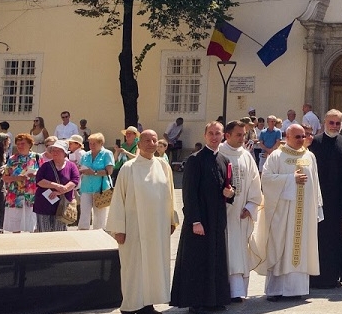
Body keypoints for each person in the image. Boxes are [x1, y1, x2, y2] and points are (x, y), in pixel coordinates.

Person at [106, 129, 179, 314]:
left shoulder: (163, 166)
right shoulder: (128, 168)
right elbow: (118, 200)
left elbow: (170, 194)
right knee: (134, 267)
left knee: (153, 265)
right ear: (138, 144)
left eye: (154, 140)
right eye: (146, 140)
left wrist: (172, 219)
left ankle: (149, 304)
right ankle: (131, 306)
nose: (151, 143)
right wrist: (118, 229)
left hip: (157, 227)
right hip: (133, 227)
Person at [170, 122, 235, 313]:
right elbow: (189, 193)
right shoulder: (195, 160)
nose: (214, 137)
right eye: (211, 133)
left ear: (223, 136)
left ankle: (214, 299)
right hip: (199, 219)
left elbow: (229, 188)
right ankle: (196, 300)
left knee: (215, 258)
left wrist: (231, 193)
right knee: (197, 260)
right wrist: (195, 220)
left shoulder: (224, 159)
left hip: (217, 219)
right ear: (205, 135)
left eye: (218, 134)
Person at [255, 123, 323, 302]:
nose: (301, 140)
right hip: (282, 212)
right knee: (280, 246)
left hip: (304, 212)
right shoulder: (277, 156)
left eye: (303, 136)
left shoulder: (310, 156)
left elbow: (315, 183)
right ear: (287, 136)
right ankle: (276, 290)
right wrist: (291, 179)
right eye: (297, 136)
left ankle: (296, 289)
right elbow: (267, 179)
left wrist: (318, 206)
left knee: (301, 247)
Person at [220, 120, 264, 302]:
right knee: (225, 252)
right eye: (238, 134)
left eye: (244, 134)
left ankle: (237, 291)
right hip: (222, 215)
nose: (242, 138)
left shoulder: (246, 156)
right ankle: (222, 290)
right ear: (227, 135)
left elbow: (255, 182)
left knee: (239, 252)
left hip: (241, 214)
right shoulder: (219, 153)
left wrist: (251, 206)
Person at [308, 109, 342, 288]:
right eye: (331, 122)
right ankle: (314, 277)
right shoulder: (314, 143)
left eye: (338, 123)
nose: (334, 126)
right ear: (325, 122)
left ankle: (333, 276)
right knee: (317, 238)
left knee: (334, 238)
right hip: (317, 200)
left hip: (337, 202)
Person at [33, 141, 80, 232]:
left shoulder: (71, 166)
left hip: (62, 205)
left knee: (59, 232)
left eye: (58, 150)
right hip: (44, 204)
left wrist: (62, 190)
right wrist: (55, 185)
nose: (55, 152)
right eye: (53, 150)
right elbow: (39, 181)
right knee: (44, 231)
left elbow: (75, 180)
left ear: (65, 153)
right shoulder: (45, 166)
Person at [2, 133, 40, 233]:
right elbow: (5, 178)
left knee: (32, 222)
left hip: (31, 196)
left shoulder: (37, 158)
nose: (20, 146)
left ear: (30, 144)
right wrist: (17, 178)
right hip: (15, 195)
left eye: (22, 143)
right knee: (16, 224)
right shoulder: (12, 159)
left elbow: (45, 175)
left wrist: (36, 174)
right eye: (18, 144)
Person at [78, 132, 114, 230]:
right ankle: (83, 235)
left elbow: (109, 171)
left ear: (101, 143)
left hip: (101, 188)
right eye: (90, 143)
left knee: (100, 215)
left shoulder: (107, 154)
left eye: (94, 143)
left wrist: (93, 172)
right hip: (86, 187)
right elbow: (80, 167)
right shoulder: (86, 155)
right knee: (84, 213)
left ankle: (99, 236)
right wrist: (80, 170)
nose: (91, 146)